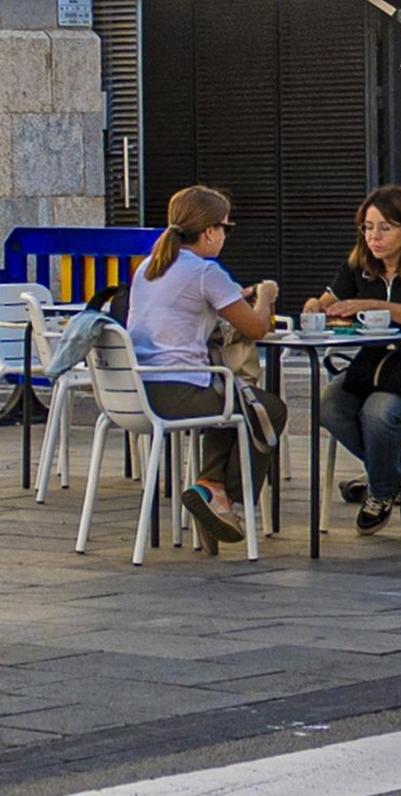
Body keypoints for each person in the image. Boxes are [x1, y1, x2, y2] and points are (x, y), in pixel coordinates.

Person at [123, 183, 280, 548]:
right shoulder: (206, 272)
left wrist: (232, 298)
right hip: (178, 392)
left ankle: (211, 489)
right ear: (209, 231)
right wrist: (265, 297)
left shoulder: (149, 266)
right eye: (226, 227)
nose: (226, 234)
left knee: (237, 402)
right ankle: (233, 504)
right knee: (267, 410)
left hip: (137, 391)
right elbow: (255, 327)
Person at [307, 184, 401, 526]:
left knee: (377, 414)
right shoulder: (358, 264)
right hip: (375, 366)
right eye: (367, 227)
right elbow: (322, 302)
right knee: (329, 406)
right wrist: (318, 308)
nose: (374, 237)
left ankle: (380, 489)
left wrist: (373, 305)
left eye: (384, 228)